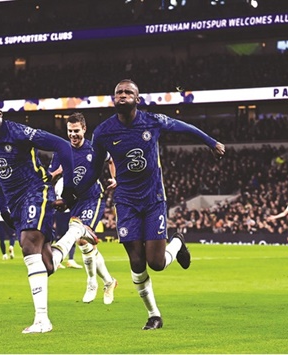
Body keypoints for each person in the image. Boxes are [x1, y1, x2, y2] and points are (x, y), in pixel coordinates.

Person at [83, 79, 225, 329]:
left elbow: (184, 127)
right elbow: (94, 170)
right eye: (119, 93)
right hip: (125, 202)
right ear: (114, 99)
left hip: (153, 200)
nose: (123, 95)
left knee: (156, 263)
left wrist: (211, 142)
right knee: (136, 262)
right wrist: (73, 194)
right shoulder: (103, 132)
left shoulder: (152, 121)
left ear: (137, 99)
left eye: (128, 92)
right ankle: (153, 315)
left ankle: (178, 241)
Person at [0, 97, 96, 334]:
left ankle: (42, 320)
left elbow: (62, 145)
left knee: (27, 243)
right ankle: (76, 232)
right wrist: (4, 206)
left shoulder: (18, 132)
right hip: (14, 201)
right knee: (47, 265)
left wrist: (69, 189)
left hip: (36, 189)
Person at [48, 112, 118, 304]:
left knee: (79, 234)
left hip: (93, 197)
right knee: (85, 244)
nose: (73, 135)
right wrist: (58, 173)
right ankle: (109, 281)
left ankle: (90, 281)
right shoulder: (61, 150)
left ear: (84, 129)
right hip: (74, 200)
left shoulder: (94, 148)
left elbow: (111, 159)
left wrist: (114, 177)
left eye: (76, 131)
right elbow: (51, 175)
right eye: (70, 131)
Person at [0, 193, 16, 260]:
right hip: (8, 217)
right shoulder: (8, 194)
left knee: (1, 239)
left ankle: (4, 255)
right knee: (12, 235)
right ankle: (11, 246)